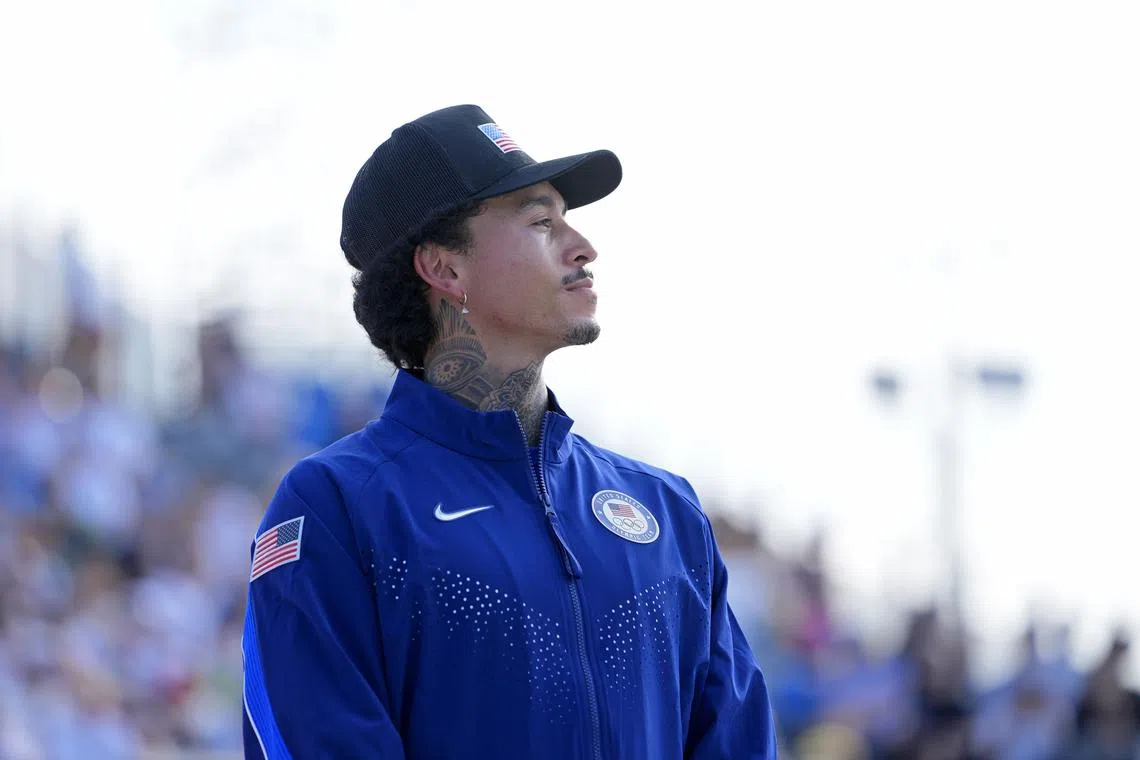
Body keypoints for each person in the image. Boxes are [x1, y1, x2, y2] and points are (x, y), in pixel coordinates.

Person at [241, 104, 778, 759]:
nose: (582, 247)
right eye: (540, 222)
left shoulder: (669, 512)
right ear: (445, 269)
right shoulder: (337, 509)